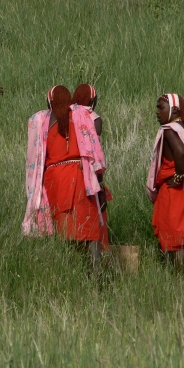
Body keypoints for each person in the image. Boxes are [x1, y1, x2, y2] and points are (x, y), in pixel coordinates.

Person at [23, 85, 107, 273]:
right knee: (89, 228)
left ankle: (71, 273)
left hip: (55, 180)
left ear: (50, 102)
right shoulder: (81, 115)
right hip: (81, 175)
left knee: (65, 229)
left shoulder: (43, 120)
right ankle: (96, 274)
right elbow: (97, 129)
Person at [146, 93, 184, 271]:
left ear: (175, 110)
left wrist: (178, 176)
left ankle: (177, 280)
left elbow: (180, 152)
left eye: (161, 107)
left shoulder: (169, 130)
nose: (157, 112)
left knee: (176, 239)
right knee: (182, 240)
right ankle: (180, 281)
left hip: (175, 191)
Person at [72, 84, 112, 250]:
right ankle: (97, 257)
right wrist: (101, 184)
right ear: (92, 100)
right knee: (94, 215)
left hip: (72, 172)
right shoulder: (94, 118)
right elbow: (94, 152)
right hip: (91, 174)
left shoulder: (69, 115)